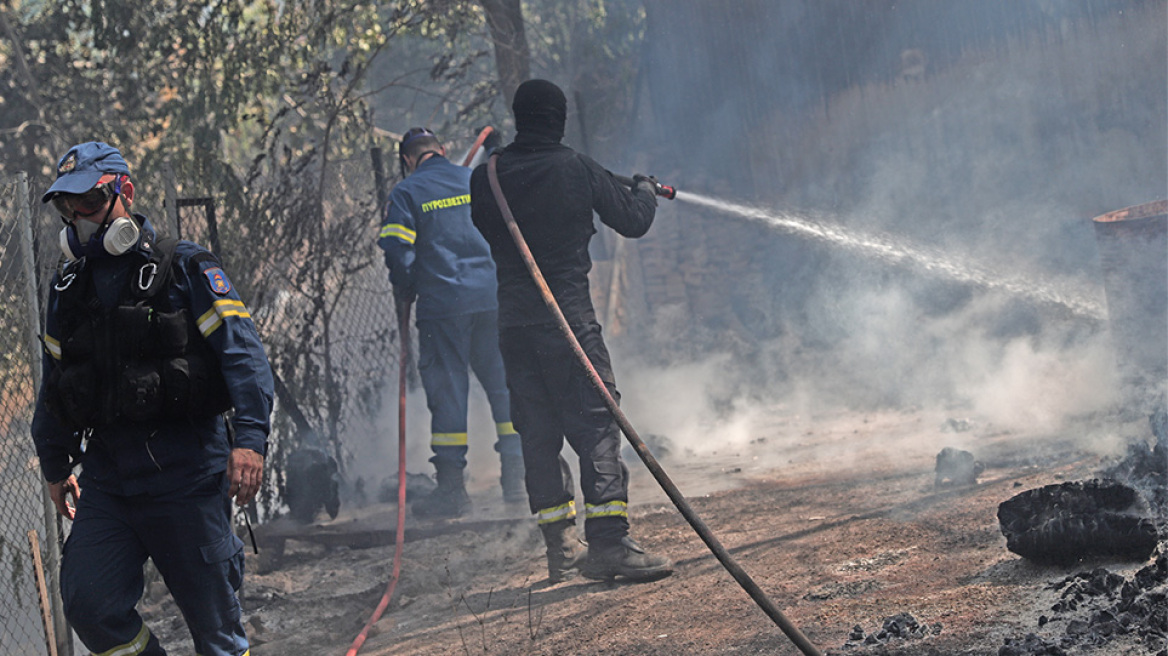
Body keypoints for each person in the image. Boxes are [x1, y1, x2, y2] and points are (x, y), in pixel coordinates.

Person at [31, 142, 274, 656]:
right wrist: (55, 464)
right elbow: (55, 382)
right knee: (89, 606)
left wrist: (250, 441)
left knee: (216, 631)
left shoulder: (185, 267)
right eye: (68, 206)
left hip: (187, 476)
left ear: (125, 193)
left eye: (91, 201)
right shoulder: (66, 287)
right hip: (109, 482)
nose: (80, 217)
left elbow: (243, 357)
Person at [469, 79, 673, 582]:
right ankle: (607, 544)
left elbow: (492, 231)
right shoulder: (577, 168)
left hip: (514, 327)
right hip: (568, 323)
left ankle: (561, 548)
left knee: (537, 434)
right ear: (558, 120)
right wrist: (644, 190)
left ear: (519, 117)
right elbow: (633, 222)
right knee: (597, 424)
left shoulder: (486, 175)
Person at [378, 127, 525, 518]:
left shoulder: (407, 193)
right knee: (504, 388)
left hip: (444, 306)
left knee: (449, 392)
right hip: (493, 298)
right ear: (442, 151)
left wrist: (407, 285)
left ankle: (452, 491)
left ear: (407, 160)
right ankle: (517, 480)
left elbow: (397, 250)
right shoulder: (473, 178)